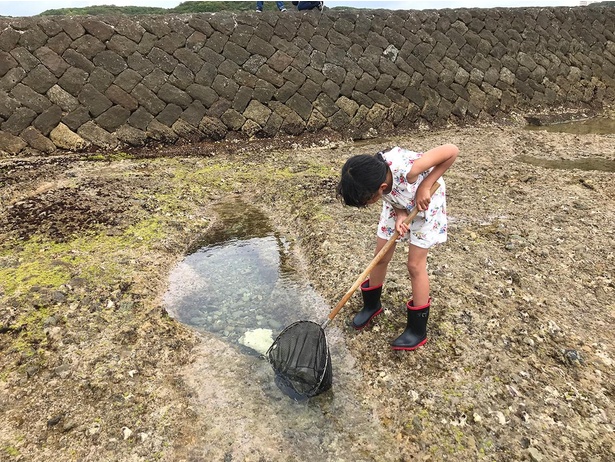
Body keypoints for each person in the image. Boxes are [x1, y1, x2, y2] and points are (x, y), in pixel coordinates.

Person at [336, 144, 458, 350]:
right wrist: (400, 213)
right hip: (400, 200)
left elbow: (451, 150)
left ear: (380, 188)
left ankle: (417, 330)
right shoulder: (376, 176)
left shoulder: (410, 170)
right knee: (380, 257)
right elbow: (391, 196)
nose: (368, 204)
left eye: (367, 201)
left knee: (414, 266)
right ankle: (372, 305)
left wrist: (425, 185)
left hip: (426, 201)